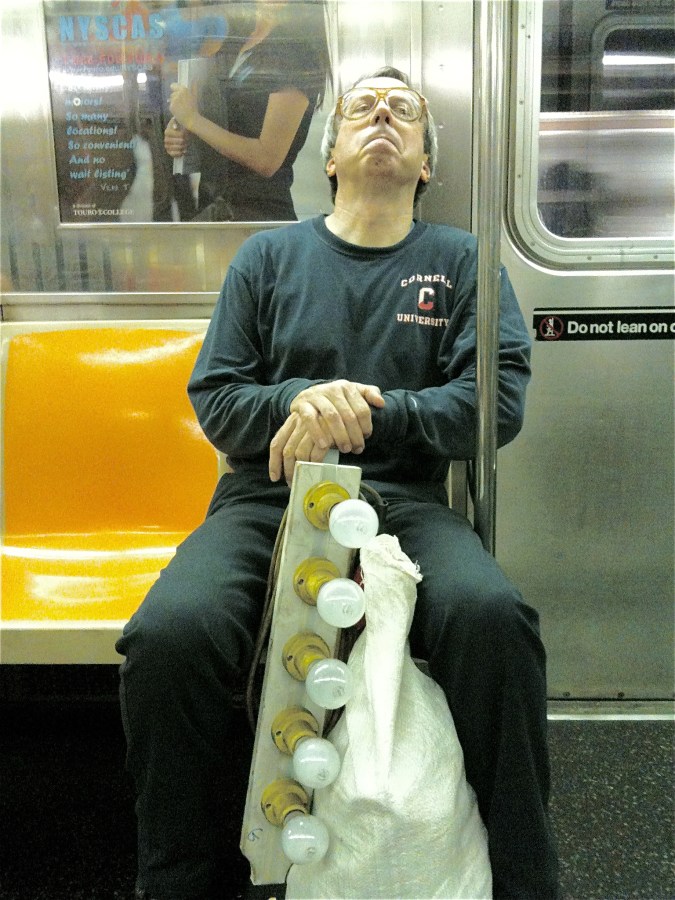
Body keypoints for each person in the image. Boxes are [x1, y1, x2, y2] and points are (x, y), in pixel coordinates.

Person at [117, 66, 560, 899]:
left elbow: (492, 405)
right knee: (169, 637)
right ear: (329, 155)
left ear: (426, 162)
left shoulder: (462, 263)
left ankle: (526, 878)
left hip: (403, 501)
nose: (383, 116)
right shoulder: (268, 257)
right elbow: (217, 397)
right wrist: (296, 399)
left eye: (405, 112)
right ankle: (183, 879)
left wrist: (371, 412)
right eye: (363, 106)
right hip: (268, 497)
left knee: (495, 619)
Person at [163, 0, 331, 222]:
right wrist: (182, 129)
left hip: (257, 215)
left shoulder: (296, 53)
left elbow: (267, 159)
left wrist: (194, 121)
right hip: (214, 207)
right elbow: (214, 117)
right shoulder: (238, 37)